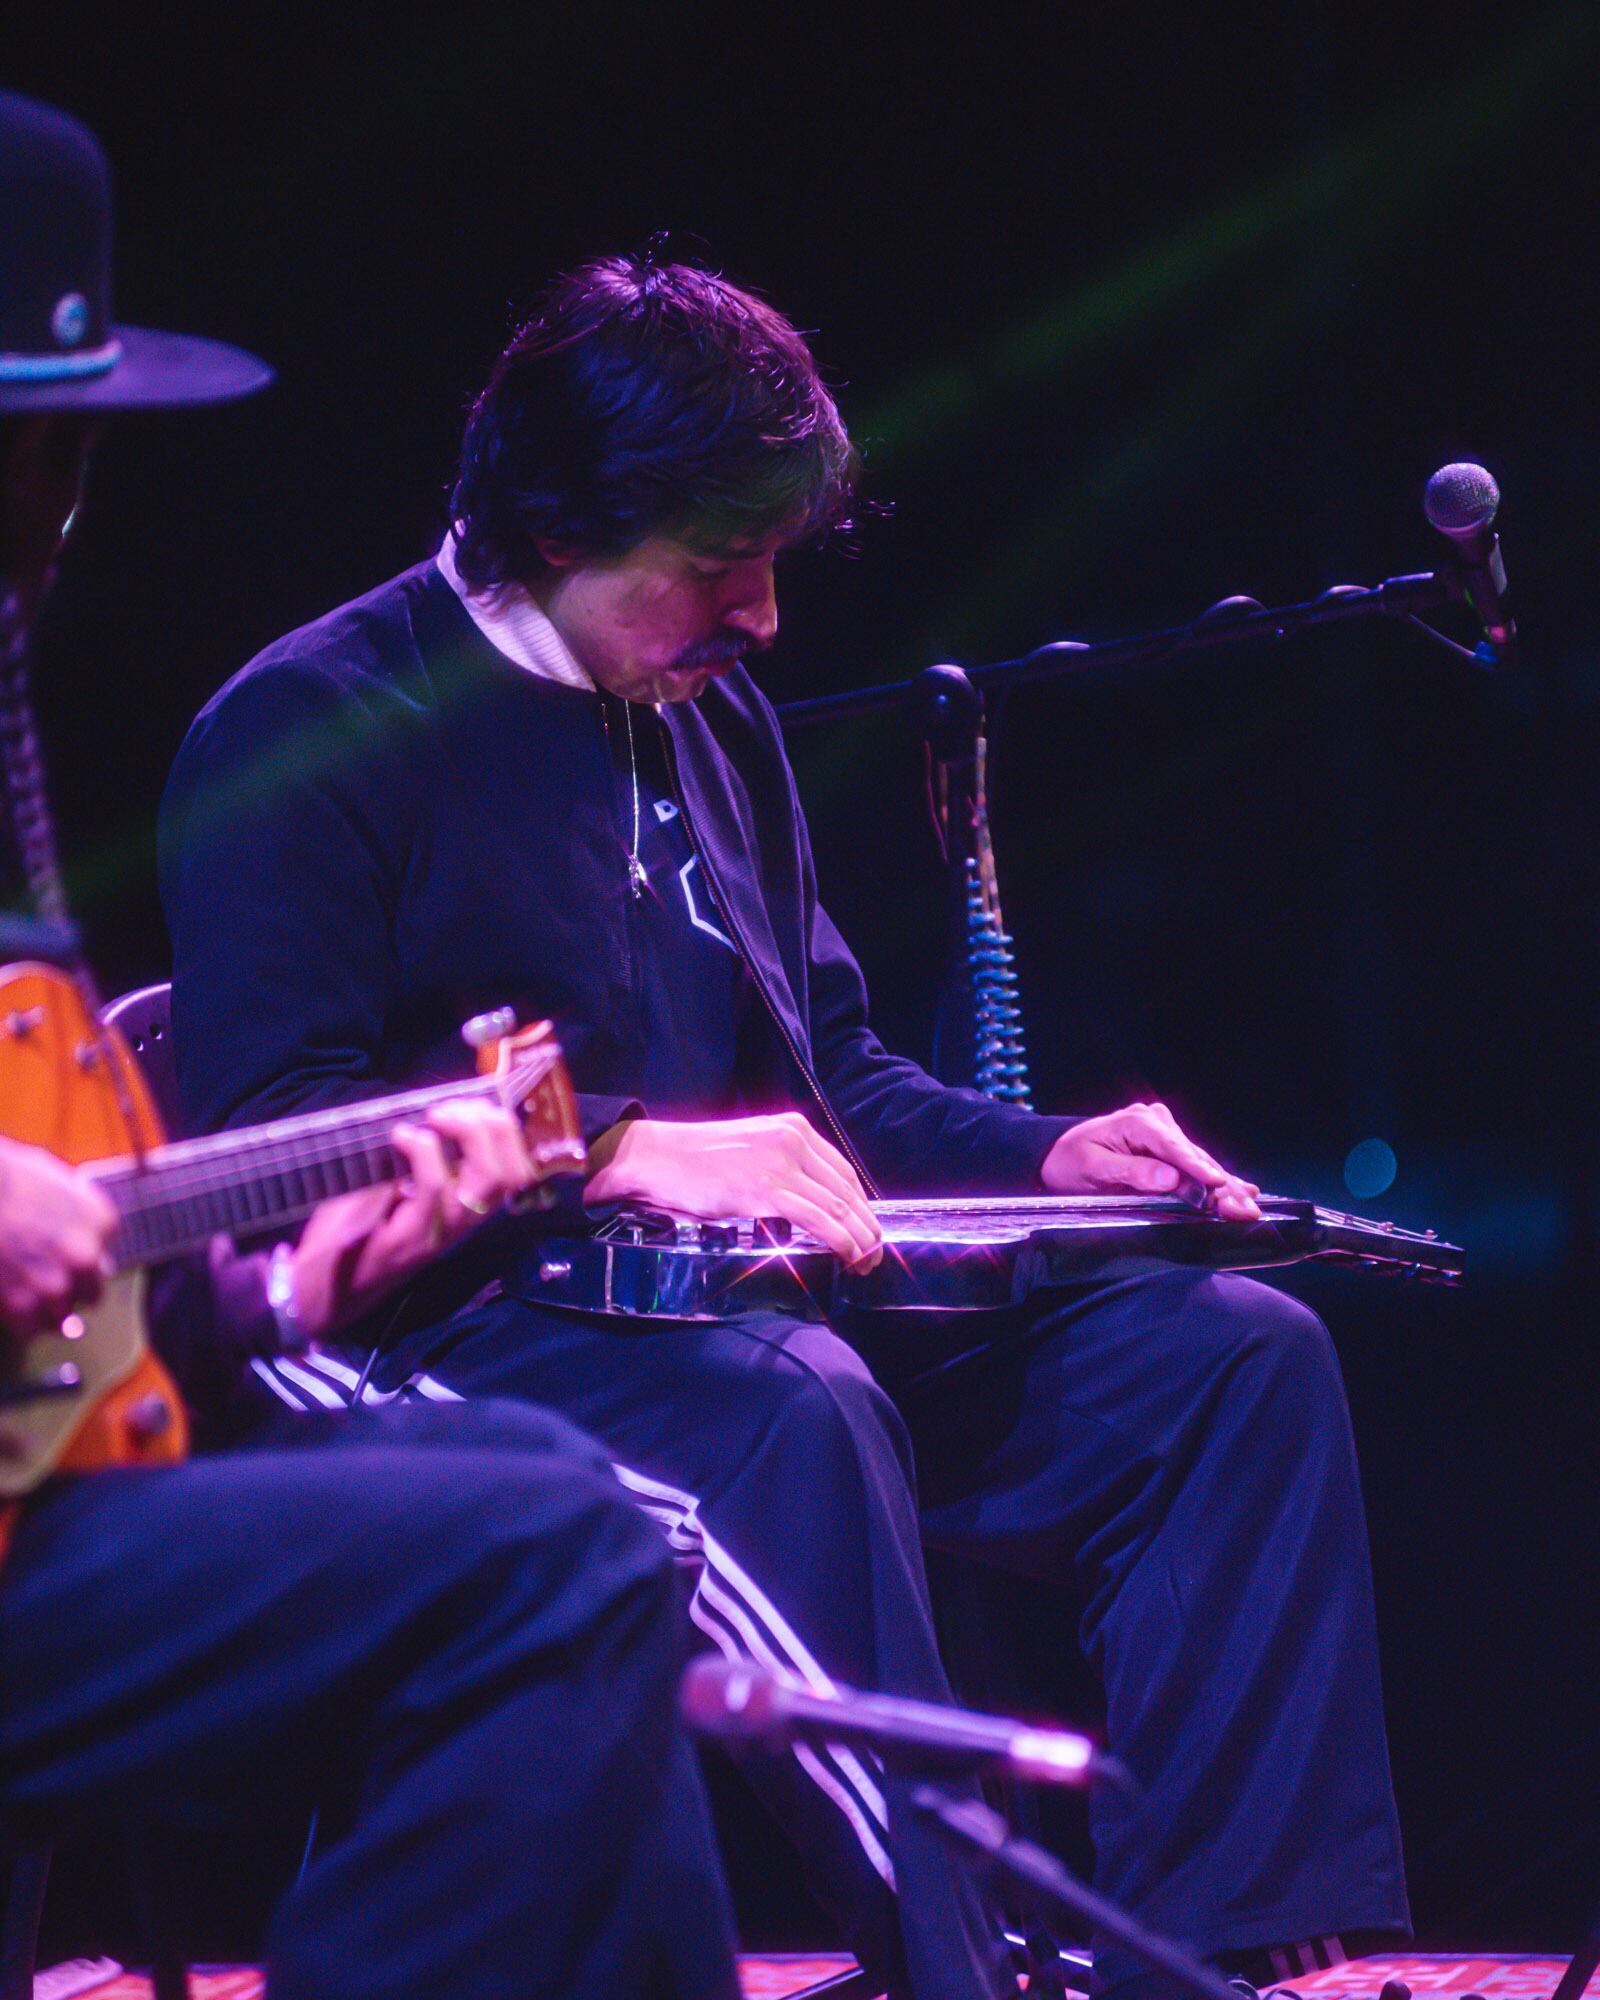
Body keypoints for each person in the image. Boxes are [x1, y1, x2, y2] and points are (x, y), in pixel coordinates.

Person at [162, 255, 1412, 1999]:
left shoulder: (709, 718)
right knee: (791, 1413)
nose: (762, 618)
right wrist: (608, 1147)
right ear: (556, 528)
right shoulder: (309, 730)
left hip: (748, 1308)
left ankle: (1214, 1964)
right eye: (718, 567)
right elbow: (257, 1149)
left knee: (1231, 1362)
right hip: (462, 1336)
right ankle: (953, 1977)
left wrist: (1044, 1154)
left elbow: (837, 1085)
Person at [0, 96, 739, 2000]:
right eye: (46, 438)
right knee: (547, 1561)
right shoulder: (309, 722)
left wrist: (273, 1296)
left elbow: (74, 1303)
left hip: (43, 1508)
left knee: (569, 1520)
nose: (69, 497)